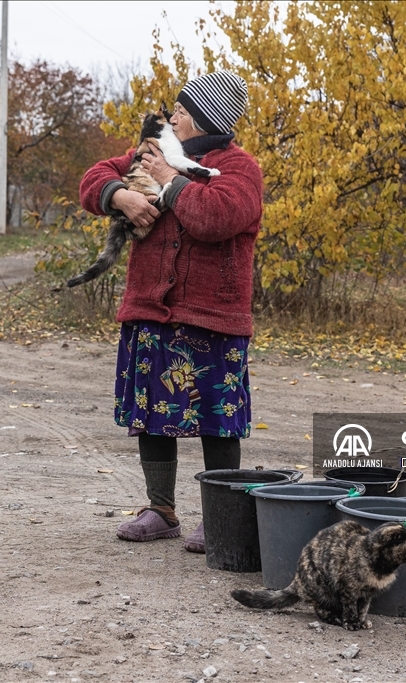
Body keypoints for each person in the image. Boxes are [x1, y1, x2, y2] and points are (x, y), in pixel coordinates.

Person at [79, 71, 262, 552]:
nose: (171, 116)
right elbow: (93, 176)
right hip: (150, 310)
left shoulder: (241, 168)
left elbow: (216, 218)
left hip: (211, 318)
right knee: (151, 415)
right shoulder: (153, 148)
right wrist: (119, 194)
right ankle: (160, 510)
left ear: (205, 118)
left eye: (180, 111)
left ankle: (217, 516)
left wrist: (167, 179)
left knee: (216, 418)